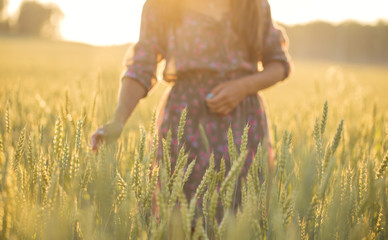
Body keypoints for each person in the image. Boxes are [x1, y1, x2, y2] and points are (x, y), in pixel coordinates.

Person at [90, 0, 291, 219]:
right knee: (177, 213)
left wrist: (243, 87)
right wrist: (118, 120)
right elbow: (141, 66)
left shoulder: (254, 5)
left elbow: (278, 64)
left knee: (243, 214)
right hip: (185, 126)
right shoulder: (162, 5)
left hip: (244, 125)